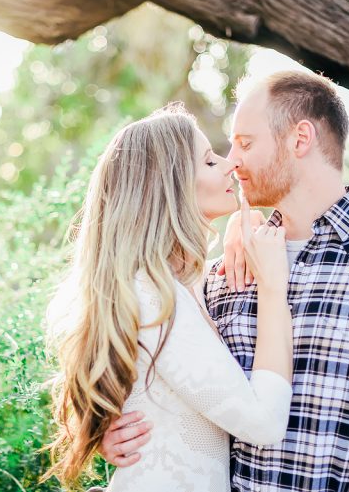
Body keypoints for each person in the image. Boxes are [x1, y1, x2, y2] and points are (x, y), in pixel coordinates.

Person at [101, 70, 349, 492]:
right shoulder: (226, 274)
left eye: (246, 143)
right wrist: (121, 435)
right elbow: (187, 396)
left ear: (300, 139)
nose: (232, 161)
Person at [43, 105, 295, 491]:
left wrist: (244, 226)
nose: (230, 165)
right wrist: (274, 286)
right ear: (170, 186)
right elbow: (263, 423)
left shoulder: (175, 285)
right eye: (209, 161)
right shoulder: (156, 301)